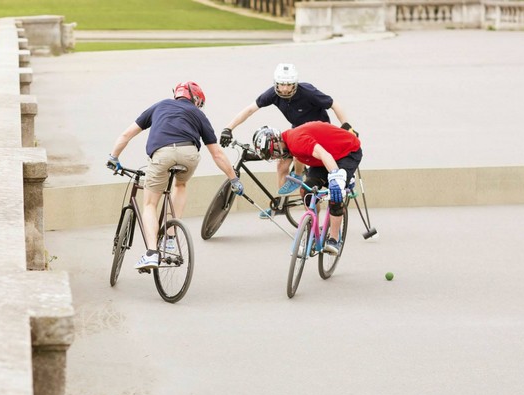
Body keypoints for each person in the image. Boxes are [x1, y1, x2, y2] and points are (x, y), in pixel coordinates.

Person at [108, 81, 243, 271]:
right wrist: (233, 179)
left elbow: (126, 135)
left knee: (149, 205)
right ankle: (170, 237)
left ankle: (151, 253)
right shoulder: (198, 114)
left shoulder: (160, 106)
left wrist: (114, 157)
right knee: (180, 185)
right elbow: (217, 153)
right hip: (189, 155)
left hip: (162, 154)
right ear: (195, 99)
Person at [218, 63, 358, 218]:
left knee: (299, 153)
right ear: (276, 84)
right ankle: (279, 204)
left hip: (318, 134)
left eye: (288, 85)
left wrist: (346, 125)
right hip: (297, 131)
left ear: (295, 84)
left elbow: (334, 104)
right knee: (281, 164)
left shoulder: (308, 92)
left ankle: (299, 177)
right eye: (281, 85)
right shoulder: (273, 94)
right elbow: (250, 109)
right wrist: (228, 128)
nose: (284, 89)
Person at [251, 121, 362, 255]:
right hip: (322, 159)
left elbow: (324, 154)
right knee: (306, 191)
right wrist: (297, 178)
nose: (275, 156)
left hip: (346, 152)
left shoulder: (296, 141)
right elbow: (298, 160)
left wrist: (334, 177)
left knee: (335, 193)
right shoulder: (288, 145)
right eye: (271, 156)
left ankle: (334, 239)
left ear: (276, 141)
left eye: (272, 153)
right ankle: (314, 228)